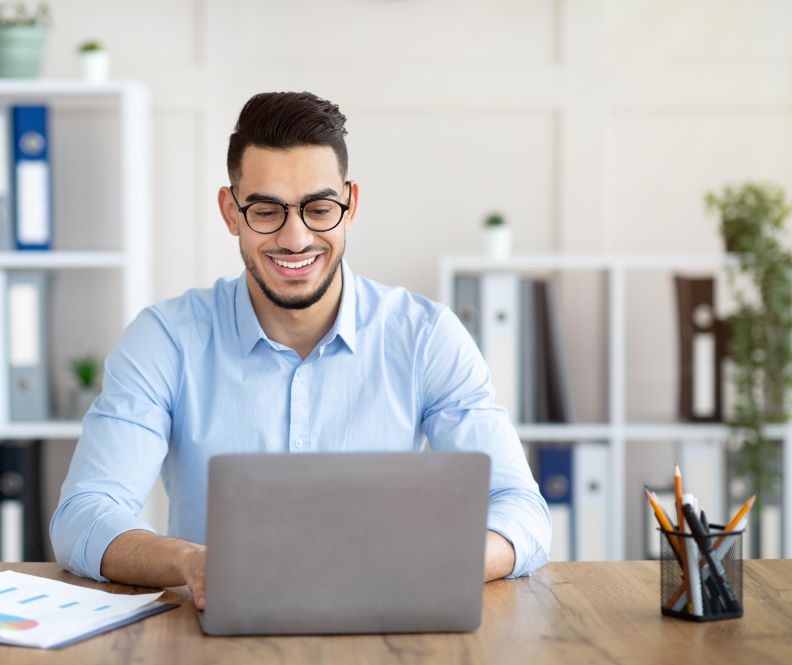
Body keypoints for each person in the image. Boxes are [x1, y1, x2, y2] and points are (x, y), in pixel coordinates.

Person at [51, 91, 551, 610]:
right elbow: (84, 514)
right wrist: (191, 563)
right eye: (266, 210)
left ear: (350, 205)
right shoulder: (165, 339)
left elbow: (521, 510)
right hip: (213, 636)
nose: (295, 238)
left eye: (318, 209)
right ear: (231, 212)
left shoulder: (426, 337)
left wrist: (438, 563)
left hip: (388, 624)